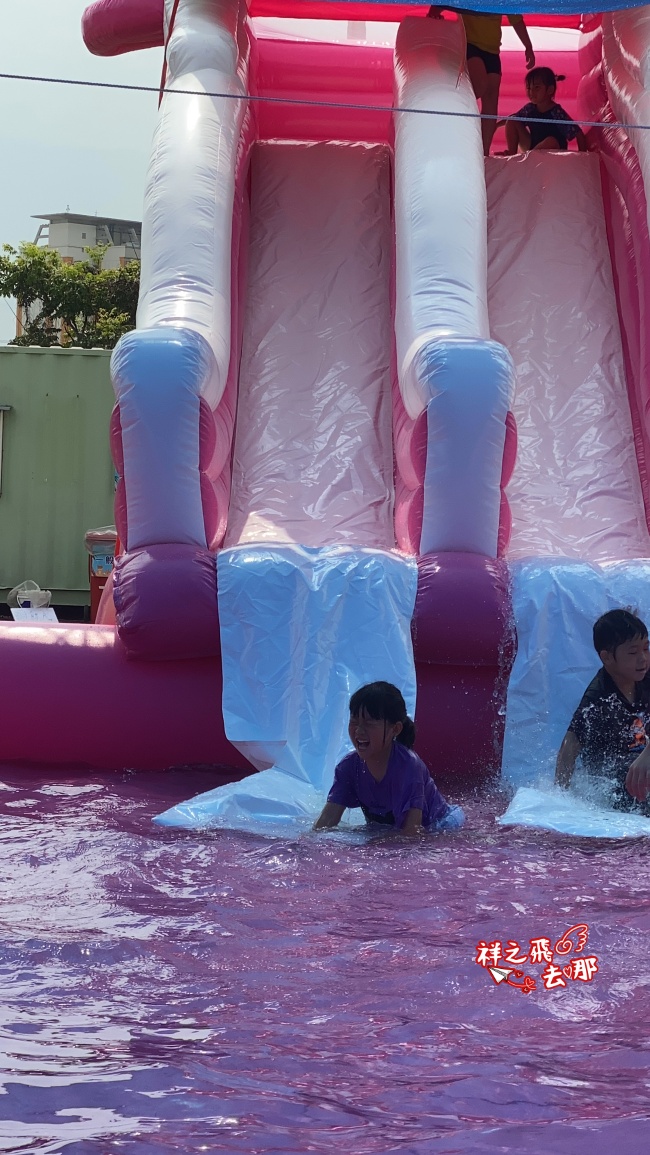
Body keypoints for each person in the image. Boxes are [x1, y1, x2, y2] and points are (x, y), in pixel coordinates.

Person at [313, 681, 465, 836]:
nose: (359, 730)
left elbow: (412, 833)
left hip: (441, 825)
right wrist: (307, 844)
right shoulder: (348, 768)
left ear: (395, 729)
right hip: (391, 828)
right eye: (354, 721)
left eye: (369, 723)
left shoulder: (409, 767)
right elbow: (327, 819)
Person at [555, 609, 650, 811]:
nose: (643, 658)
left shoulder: (645, 675)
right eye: (633, 652)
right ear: (606, 658)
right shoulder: (598, 698)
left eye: (646, 648)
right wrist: (559, 800)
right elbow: (569, 747)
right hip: (615, 780)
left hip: (642, 755)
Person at [427, 7, 535, 156]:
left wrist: (528, 46)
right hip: (470, 44)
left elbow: (516, 18)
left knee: (491, 101)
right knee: (480, 85)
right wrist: (434, 11)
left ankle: (483, 153)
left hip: (492, 50)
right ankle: (452, 118)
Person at [504, 66, 588, 154]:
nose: (531, 92)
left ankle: (528, 158)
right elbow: (514, 119)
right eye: (529, 88)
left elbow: (578, 133)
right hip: (533, 148)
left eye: (536, 88)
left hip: (554, 151)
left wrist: (582, 156)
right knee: (512, 120)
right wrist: (496, 125)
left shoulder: (557, 113)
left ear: (550, 90)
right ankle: (512, 154)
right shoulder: (530, 108)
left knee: (550, 141)